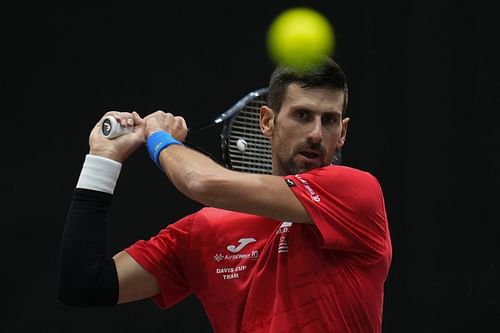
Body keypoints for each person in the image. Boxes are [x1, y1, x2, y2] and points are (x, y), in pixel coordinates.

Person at [57, 57, 392, 333]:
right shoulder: (205, 231)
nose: (317, 134)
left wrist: (159, 139)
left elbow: (200, 183)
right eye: (302, 116)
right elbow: (84, 285)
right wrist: (102, 159)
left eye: (329, 120)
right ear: (266, 122)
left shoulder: (356, 193)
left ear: (343, 132)